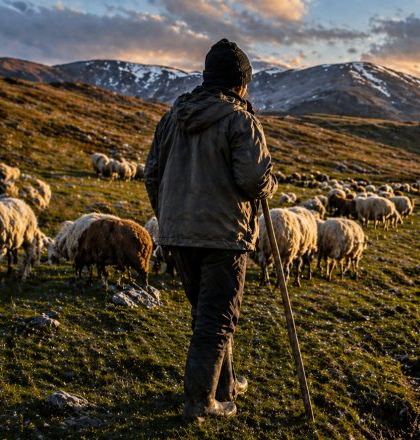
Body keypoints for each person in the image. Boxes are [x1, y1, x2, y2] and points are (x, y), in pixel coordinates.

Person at [144, 38, 277, 421]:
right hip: (223, 234)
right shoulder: (240, 119)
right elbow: (253, 179)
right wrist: (270, 183)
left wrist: (170, 218)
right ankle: (201, 403)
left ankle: (225, 385)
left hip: (176, 235)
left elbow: (152, 174)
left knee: (207, 313)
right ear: (240, 82)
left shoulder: (172, 118)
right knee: (217, 318)